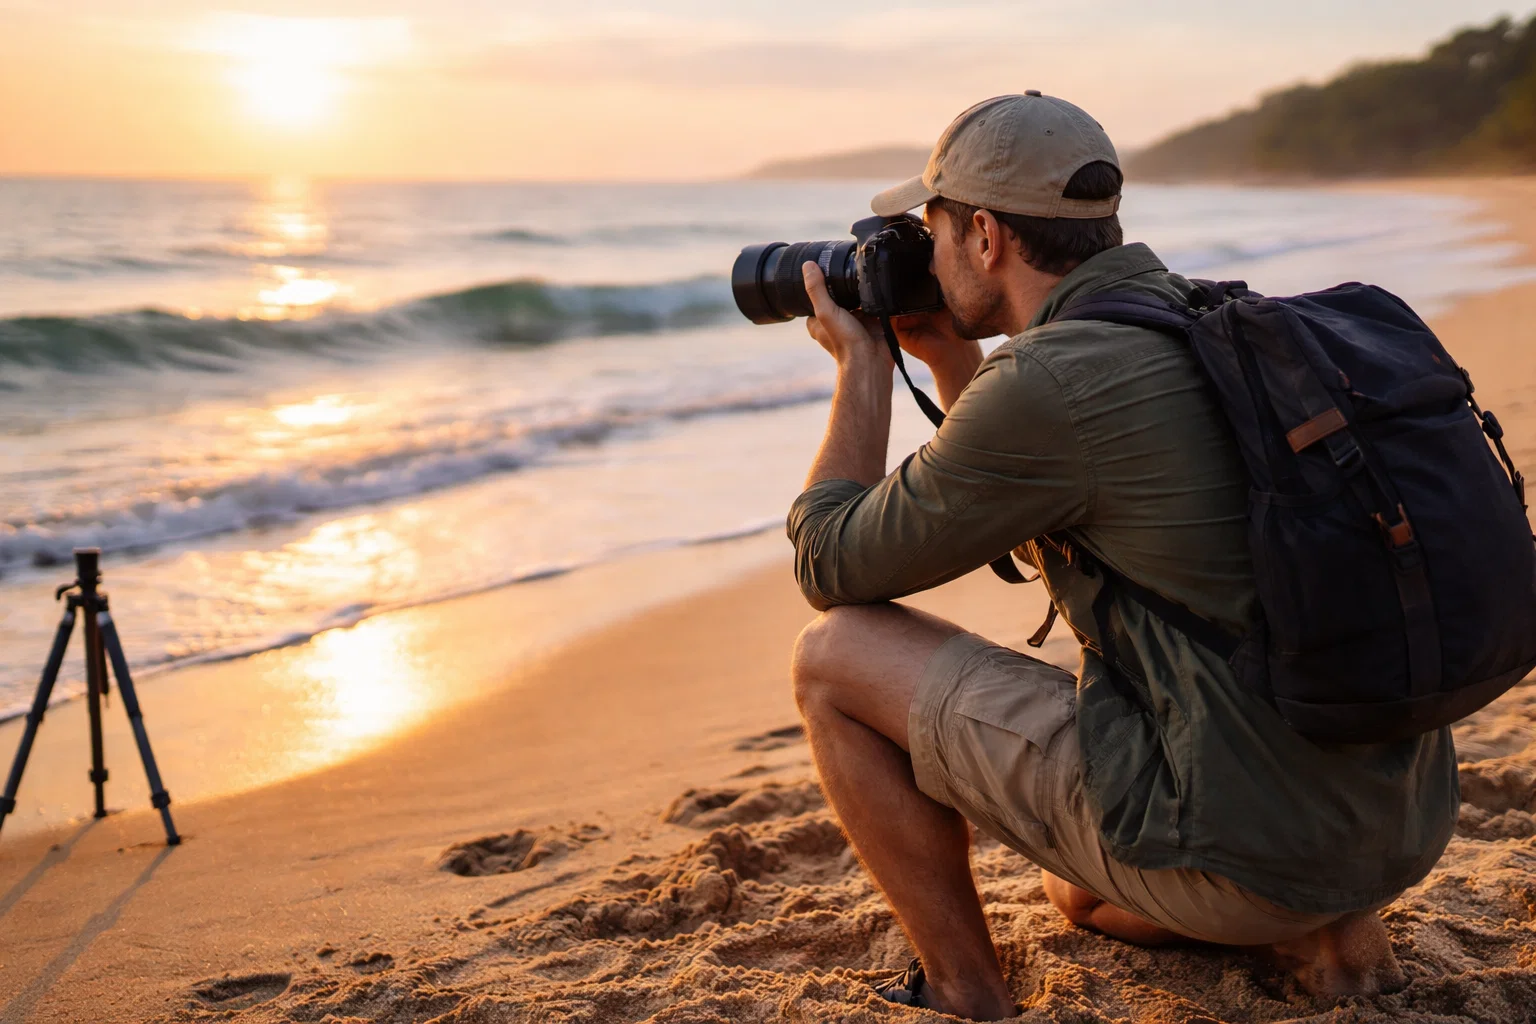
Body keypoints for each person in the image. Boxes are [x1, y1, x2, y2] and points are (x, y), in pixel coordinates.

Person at [786, 93, 1458, 1022]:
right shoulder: (1210, 320)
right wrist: (952, 366)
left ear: (984, 236)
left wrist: (860, 366)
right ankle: (1321, 928)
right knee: (1082, 898)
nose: (925, 256)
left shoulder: (1050, 382)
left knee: (832, 656)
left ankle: (963, 990)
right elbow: (1084, 497)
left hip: (1253, 851)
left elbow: (831, 563)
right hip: (1398, 824)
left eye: (930, 229)